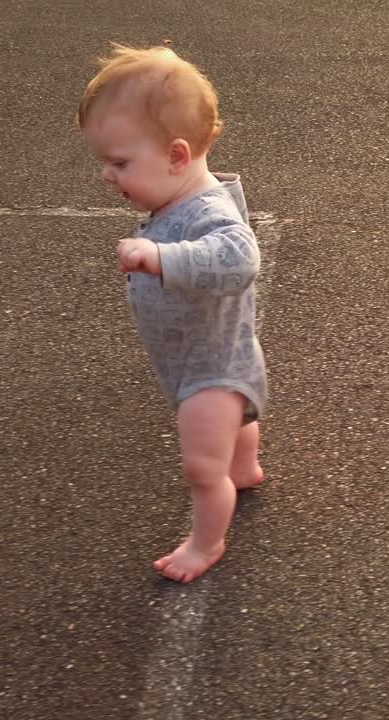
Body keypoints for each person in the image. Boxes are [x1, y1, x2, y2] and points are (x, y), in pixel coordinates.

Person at [77, 44, 267, 583]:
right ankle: (244, 467)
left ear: (177, 156)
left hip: (210, 366)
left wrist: (163, 256)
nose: (109, 176)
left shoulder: (206, 210)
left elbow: (239, 258)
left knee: (199, 469)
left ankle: (205, 543)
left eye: (120, 163)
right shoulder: (174, 197)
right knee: (232, 432)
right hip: (202, 353)